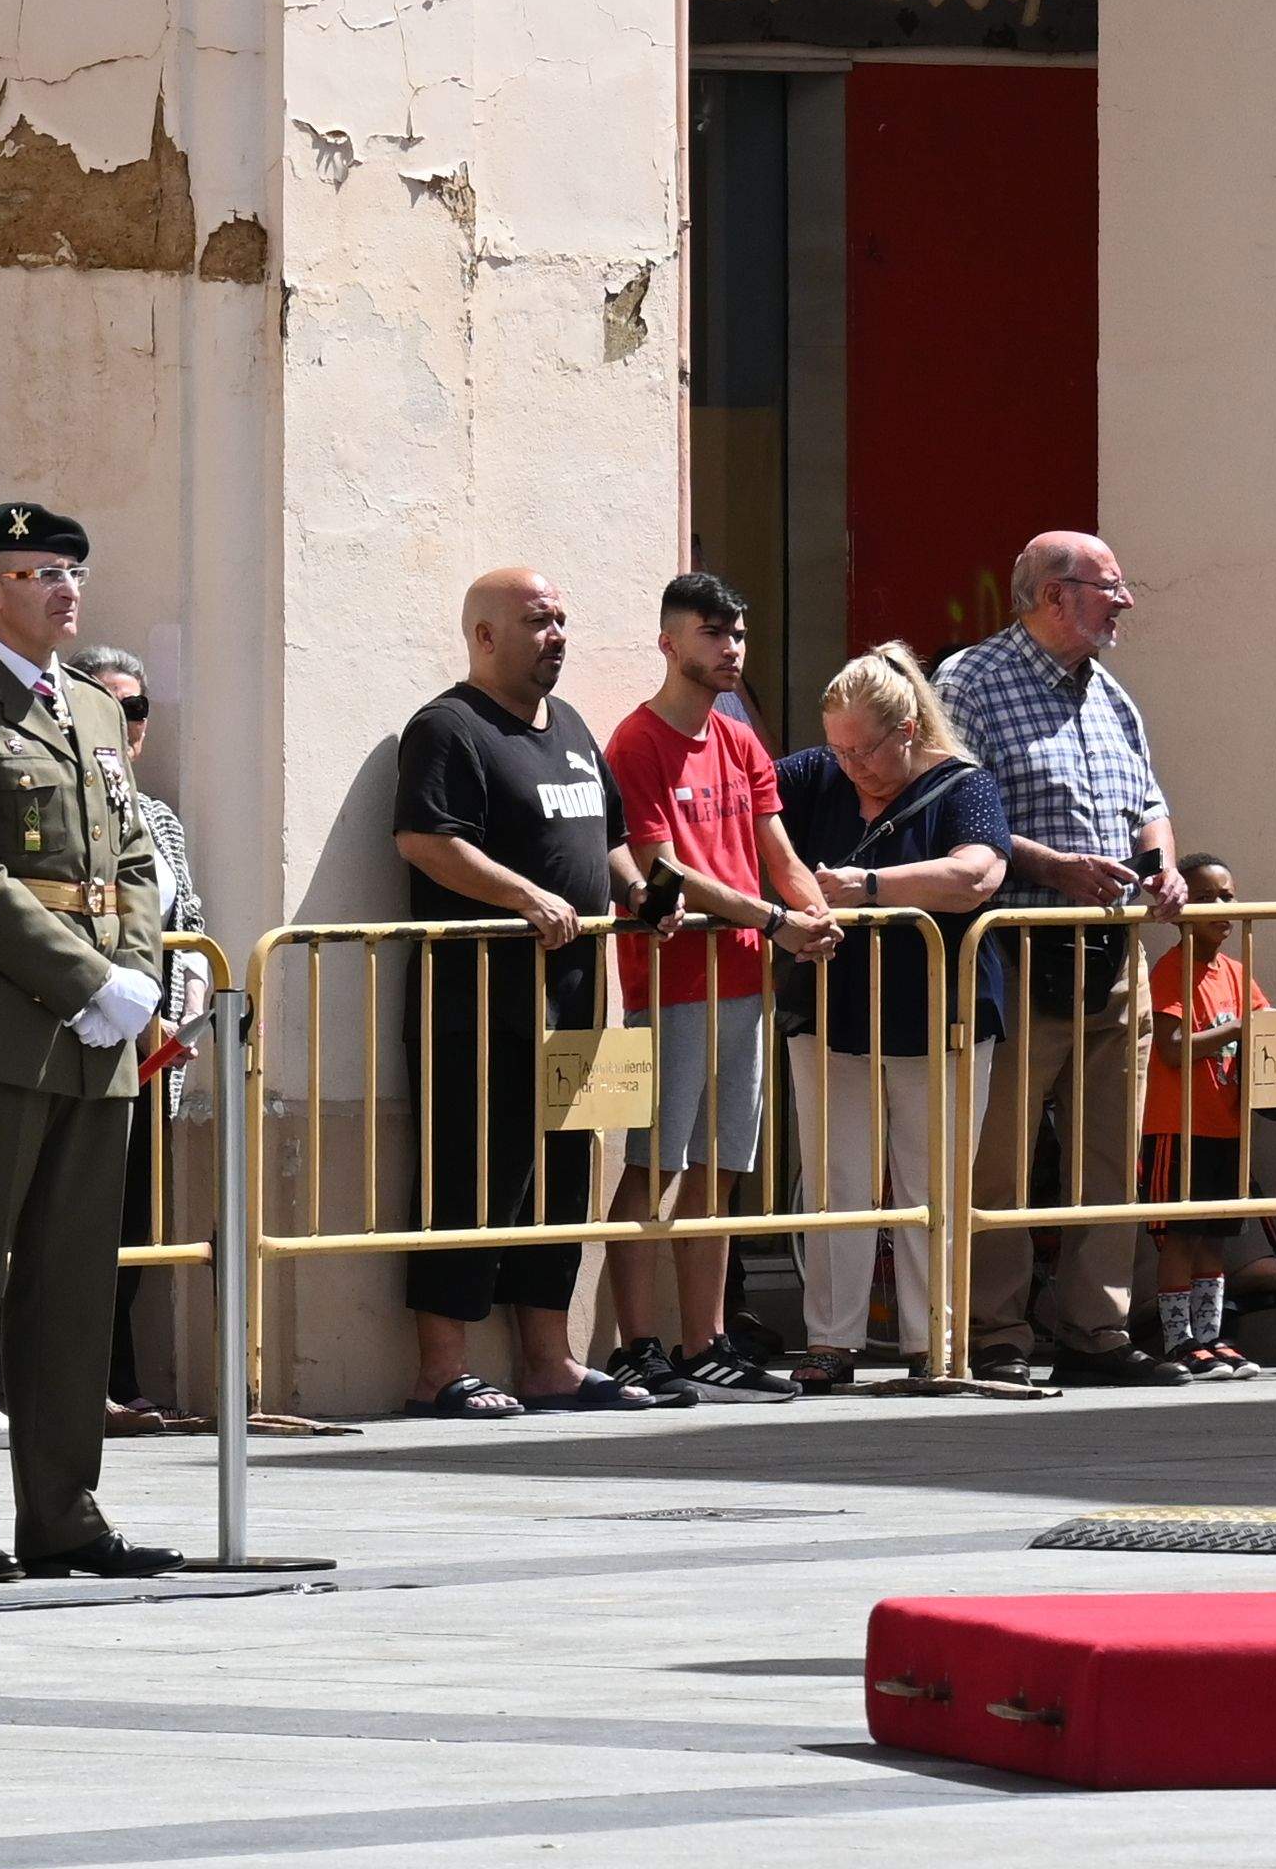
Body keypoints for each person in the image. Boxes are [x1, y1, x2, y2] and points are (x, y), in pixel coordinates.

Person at [0, 501, 181, 1585]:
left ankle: (65, 1511)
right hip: (1, 1025)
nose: (65, 588)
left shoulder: (97, 713)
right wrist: (88, 977)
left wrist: (137, 971)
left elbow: (138, 856)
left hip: (100, 1027)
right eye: (37, 572)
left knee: (72, 1280)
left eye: (71, 571)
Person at [386, 567, 665, 1417]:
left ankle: (551, 1362)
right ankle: (442, 1370)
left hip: (579, 996)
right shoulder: (448, 729)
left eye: (562, 620)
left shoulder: (572, 727)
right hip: (478, 1006)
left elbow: (606, 838)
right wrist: (523, 896)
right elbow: (426, 842)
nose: (558, 636)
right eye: (539, 621)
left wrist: (639, 895)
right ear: (484, 636)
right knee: (472, 1178)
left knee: (564, 1176)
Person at [940, 531, 1184, 1387]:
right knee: (999, 1159)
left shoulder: (1111, 695)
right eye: (1109, 587)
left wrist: (1163, 865)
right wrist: (1053, 866)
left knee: (1112, 1154)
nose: (1124, 602)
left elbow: (1147, 800)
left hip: (1113, 957)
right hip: (1017, 953)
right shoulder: (971, 682)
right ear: (1052, 595)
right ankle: (997, 1334)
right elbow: (950, 810)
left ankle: (1095, 1329)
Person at [603, 572, 836, 1401]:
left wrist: (813, 914)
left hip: (744, 978)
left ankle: (705, 1341)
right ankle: (637, 1344)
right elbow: (664, 866)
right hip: (666, 987)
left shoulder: (740, 740)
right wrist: (779, 918)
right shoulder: (636, 742)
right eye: (713, 634)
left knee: (720, 1168)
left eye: (737, 634)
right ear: (669, 642)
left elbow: (776, 849)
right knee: (650, 1164)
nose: (731, 649)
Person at [773, 644, 1011, 1388]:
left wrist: (866, 884)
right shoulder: (815, 774)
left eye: (865, 749)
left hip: (941, 1010)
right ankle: (830, 1342)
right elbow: (747, 808)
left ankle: (931, 1343)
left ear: (907, 728)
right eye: (839, 748)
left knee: (930, 1182)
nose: (850, 766)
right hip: (830, 1004)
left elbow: (977, 872)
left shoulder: (963, 785)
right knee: (834, 1176)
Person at [68, 641, 219, 1432]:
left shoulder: (158, 817)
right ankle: (73, 1380)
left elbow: (186, 922)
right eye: (107, 704)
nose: (123, 722)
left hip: (155, 1049)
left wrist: (186, 1011)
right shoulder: (59, 802)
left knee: (131, 1219)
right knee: (72, 1215)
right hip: (83, 1037)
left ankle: (119, 1375)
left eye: (135, 709)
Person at [1141, 858, 1276, 1373]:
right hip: (1178, 1126)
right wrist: (1236, 1030)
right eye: (1207, 898)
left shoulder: (1237, 972)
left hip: (1225, 1124)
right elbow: (1172, 1048)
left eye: (1228, 896)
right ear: (1181, 910)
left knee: (1215, 1235)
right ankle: (1178, 1338)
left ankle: (1211, 1334)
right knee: (1181, 1235)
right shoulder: (1170, 969)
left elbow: (1264, 1028)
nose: (1222, 908)